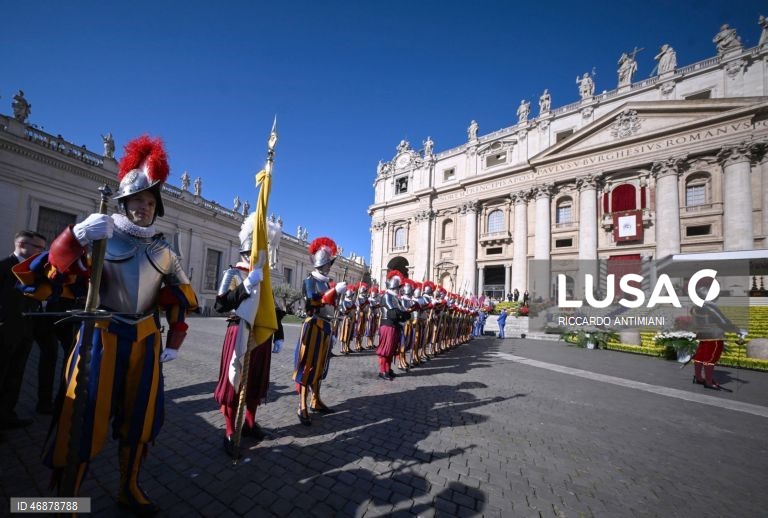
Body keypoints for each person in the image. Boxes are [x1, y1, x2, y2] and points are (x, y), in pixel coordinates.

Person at [14, 135, 198, 514]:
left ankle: (129, 487)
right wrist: (74, 238)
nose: (144, 208)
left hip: (145, 339)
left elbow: (181, 296)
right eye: (137, 201)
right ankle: (64, 501)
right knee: (80, 418)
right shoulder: (100, 236)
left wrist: (175, 340)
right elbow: (46, 277)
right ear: (124, 204)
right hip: (101, 336)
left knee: (140, 420)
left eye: (150, 202)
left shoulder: (165, 251)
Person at [213, 215, 273, 456]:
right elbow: (221, 304)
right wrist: (246, 286)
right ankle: (229, 429)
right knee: (233, 381)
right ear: (246, 252)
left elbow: (271, 309)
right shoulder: (233, 273)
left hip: (260, 335)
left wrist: (277, 336)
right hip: (238, 331)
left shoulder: (265, 277)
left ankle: (249, 421)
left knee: (255, 380)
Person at [293, 237, 346, 425]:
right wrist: (333, 293)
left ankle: (315, 400)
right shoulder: (310, 280)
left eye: (329, 263)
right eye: (326, 263)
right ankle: (302, 405)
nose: (329, 267)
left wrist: (338, 294)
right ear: (319, 263)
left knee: (322, 366)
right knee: (308, 365)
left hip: (326, 326)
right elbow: (312, 300)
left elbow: (331, 305)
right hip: (313, 325)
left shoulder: (327, 282)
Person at [0, 230, 46, 430]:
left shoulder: (35, 271)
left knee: (15, 376)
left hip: (25, 332)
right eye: (38, 247)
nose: (42, 252)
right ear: (21, 244)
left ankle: (8, 415)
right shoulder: (3, 267)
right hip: (4, 333)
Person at [689, 285, 747, 390]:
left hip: (702, 335)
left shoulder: (695, 308)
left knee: (700, 357)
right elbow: (724, 322)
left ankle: (698, 377)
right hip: (714, 336)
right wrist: (738, 330)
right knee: (710, 359)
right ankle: (709, 382)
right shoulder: (711, 308)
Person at [377, 270, 409, 380]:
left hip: (395, 326)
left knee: (391, 349)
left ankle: (388, 369)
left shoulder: (396, 297)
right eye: (398, 287)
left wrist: (404, 314)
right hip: (387, 325)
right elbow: (393, 312)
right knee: (385, 349)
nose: (400, 289)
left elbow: (402, 312)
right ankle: (382, 371)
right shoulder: (387, 296)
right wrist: (403, 314)